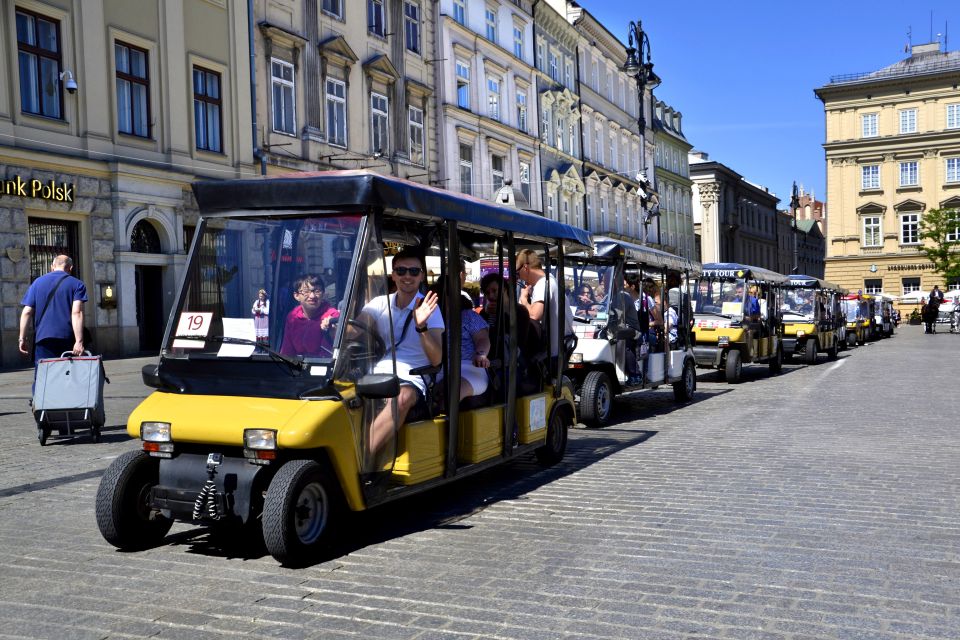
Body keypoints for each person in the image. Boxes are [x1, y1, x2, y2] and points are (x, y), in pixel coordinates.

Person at [357, 248, 444, 454]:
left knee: (401, 398)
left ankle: (360, 460)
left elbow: (436, 359)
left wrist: (421, 326)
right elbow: (356, 329)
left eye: (414, 271)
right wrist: (336, 322)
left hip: (413, 377)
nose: (407, 276)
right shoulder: (379, 303)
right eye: (402, 270)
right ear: (393, 274)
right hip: (375, 374)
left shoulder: (430, 308)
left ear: (422, 275)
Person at [19, 255, 88, 375]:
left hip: (43, 338)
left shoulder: (37, 283)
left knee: (43, 379)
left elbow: (27, 312)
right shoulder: (77, 284)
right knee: (66, 378)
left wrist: (22, 338)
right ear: (70, 268)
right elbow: (76, 313)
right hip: (67, 339)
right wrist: (79, 341)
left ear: (52, 267)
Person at [516, 248, 572, 363]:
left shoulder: (543, 284)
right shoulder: (550, 280)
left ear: (525, 267)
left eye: (517, 272)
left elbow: (534, 315)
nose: (518, 277)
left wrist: (524, 300)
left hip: (551, 355)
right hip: (560, 349)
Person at [279, 274, 340, 357]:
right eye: (306, 292)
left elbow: (327, 355)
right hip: (297, 366)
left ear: (323, 294)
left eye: (317, 291)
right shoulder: (292, 317)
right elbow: (287, 352)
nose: (312, 296)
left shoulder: (333, 316)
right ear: (296, 296)